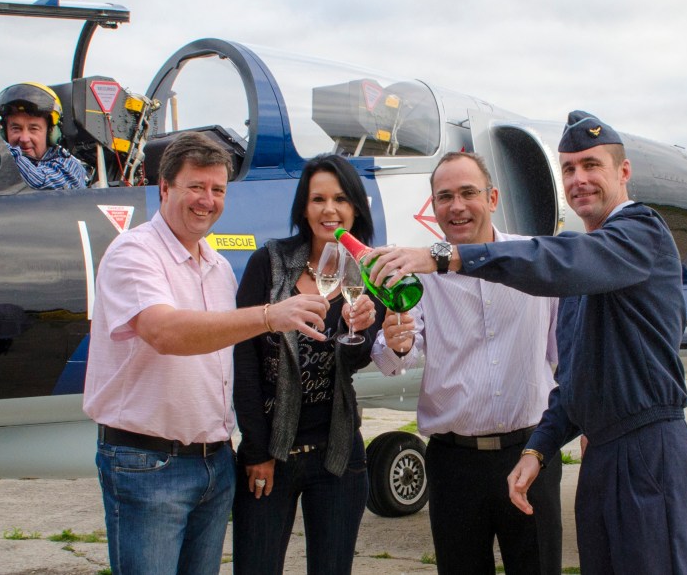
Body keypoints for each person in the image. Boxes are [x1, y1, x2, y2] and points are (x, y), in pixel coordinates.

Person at [366, 111, 687, 574]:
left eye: (591, 165)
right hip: (594, 453)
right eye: (569, 169)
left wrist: (444, 256)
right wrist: (539, 449)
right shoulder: (584, 270)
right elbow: (572, 380)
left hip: (645, 449)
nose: (579, 179)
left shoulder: (639, 233)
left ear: (623, 172)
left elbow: (559, 259)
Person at [82, 132, 330, 575]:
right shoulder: (134, 253)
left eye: (218, 190)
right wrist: (271, 315)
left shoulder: (216, 268)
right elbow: (165, 333)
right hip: (148, 463)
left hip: (213, 463)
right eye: (196, 187)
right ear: (164, 187)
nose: (207, 200)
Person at [370, 151, 562, 575]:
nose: (456, 206)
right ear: (433, 208)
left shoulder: (534, 262)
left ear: (492, 197)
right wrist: (397, 345)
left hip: (531, 455)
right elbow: (393, 360)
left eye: (468, 193)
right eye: (445, 197)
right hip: (454, 465)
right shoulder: (418, 273)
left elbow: (561, 356)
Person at [232, 154, 384, 575]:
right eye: (318, 199)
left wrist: (359, 332)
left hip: (337, 456)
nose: (329, 209)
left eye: (340, 198)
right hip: (271, 454)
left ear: (356, 207)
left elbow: (353, 361)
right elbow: (243, 358)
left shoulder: (367, 274)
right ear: (303, 207)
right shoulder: (269, 263)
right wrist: (256, 450)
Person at [0, 81, 88, 189]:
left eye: (33, 129)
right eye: (16, 129)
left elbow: (39, 182)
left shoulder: (69, 167)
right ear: (4, 132)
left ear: (51, 132)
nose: (24, 139)